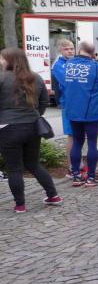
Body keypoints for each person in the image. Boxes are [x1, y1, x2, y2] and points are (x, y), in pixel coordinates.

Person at [0, 48, 62, 213]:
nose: (0, 61)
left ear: (9, 60)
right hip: (33, 126)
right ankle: (53, 195)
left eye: (2, 58)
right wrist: (35, 115)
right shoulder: (36, 77)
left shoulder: (2, 78)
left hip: (8, 128)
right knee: (33, 164)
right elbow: (44, 102)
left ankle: (20, 205)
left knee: (14, 168)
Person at [63, 41, 98, 187]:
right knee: (92, 143)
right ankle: (91, 177)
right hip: (92, 111)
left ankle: (76, 176)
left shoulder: (69, 65)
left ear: (79, 49)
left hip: (73, 110)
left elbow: (64, 84)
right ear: (93, 52)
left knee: (77, 142)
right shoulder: (97, 67)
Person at [51, 39, 75, 159]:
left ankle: (77, 162)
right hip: (68, 103)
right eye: (66, 49)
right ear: (60, 50)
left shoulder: (74, 61)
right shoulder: (58, 65)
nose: (70, 51)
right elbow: (69, 82)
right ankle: (72, 165)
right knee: (72, 135)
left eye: (71, 48)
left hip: (78, 102)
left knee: (79, 135)